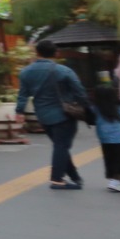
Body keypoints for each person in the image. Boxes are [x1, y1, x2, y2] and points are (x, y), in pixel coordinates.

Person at [15, 41, 90, 190]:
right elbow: (79, 91)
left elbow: (23, 95)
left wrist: (19, 111)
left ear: (37, 53)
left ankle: (74, 176)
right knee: (62, 145)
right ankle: (57, 179)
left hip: (42, 115)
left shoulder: (26, 72)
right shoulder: (64, 71)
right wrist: (87, 108)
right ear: (56, 54)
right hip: (64, 114)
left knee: (60, 146)